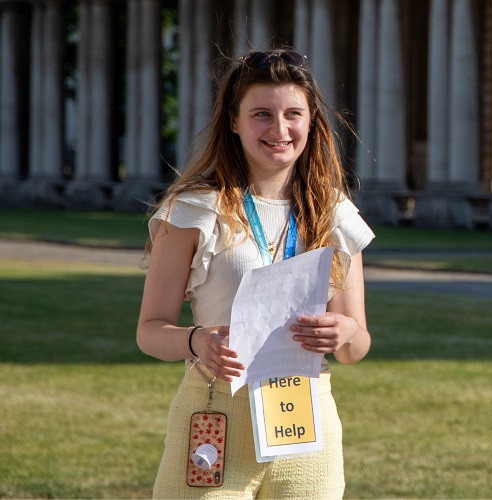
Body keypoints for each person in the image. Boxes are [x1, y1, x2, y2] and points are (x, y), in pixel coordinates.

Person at [136, 48, 374, 498]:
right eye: (261, 114)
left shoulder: (334, 213)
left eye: (293, 114)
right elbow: (149, 331)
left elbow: (357, 346)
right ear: (233, 120)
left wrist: (343, 331)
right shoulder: (192, 210)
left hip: (306, 422)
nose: (279, 129)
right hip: (215, 416)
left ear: (311, 120)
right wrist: (196, 340)